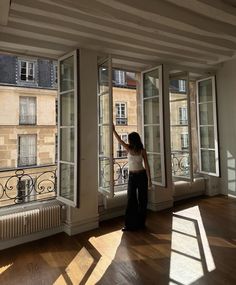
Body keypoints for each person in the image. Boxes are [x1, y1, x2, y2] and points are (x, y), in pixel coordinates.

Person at [113, 124, 152, 231]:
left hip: (142, 176)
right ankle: (129, 224)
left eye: (130, 139)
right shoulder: (128, 148)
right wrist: (113, 130)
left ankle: (141, 224)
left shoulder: (142, 150)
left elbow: (147, 165)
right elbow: (119, 140)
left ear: (133, 140)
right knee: (131, 199)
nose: (128, 141)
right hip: (132, 177)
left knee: (143, 200)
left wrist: (150, 181)